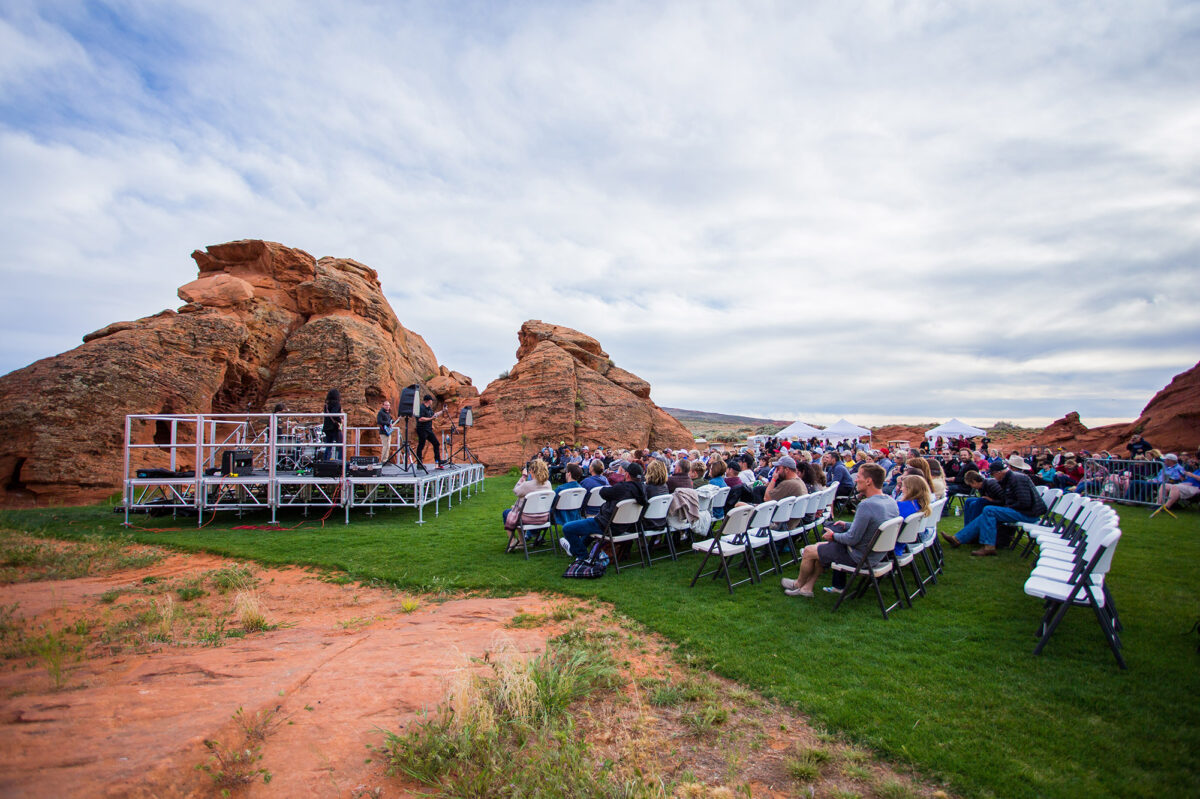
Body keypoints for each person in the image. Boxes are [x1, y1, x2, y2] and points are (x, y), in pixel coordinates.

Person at [782, 464, 898, 597]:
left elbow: (852, 538)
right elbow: (874, 526)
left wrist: (834, 536)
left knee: (809, 551)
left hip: (858, 556)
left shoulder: (866, 505)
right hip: (875, 555)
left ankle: (798, 584)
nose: (855, 480)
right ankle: (807, 588)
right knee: (819, 548)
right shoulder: (890, 501)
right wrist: (848, 525)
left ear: (868, 481)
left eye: (858, 477)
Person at [942, 460, 1046, 556]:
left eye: (993, 475)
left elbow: (1025, 502)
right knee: (987, 512)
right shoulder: (1012, 478)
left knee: (989, 510)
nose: (993, 478)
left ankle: (989, 546)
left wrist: (1006, 507)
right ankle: (958, 539)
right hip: (1025, 511)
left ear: (999, 473)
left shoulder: (1017, 479)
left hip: (1028, 514)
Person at [559, 461, 649, 559]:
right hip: (624, 526)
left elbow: (603, 492)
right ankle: (573, 550)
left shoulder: (623, 488)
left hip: (606, 525)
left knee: (567, 528)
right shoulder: (643, 490)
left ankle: (582, 556)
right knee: (588, 528)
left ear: (627, 474)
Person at [502, 458, 553, 551]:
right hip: (543, 517)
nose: (529, 472)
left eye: (530, 470)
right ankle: (522, 543)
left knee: (507, 513)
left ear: (533, 470)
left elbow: (516, 491)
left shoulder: (528, 485)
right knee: (518, 513)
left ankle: (513, 540)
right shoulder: (548, 484)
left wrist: (523, 477)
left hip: (528, 518)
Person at [415, 394, 444, 468]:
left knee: (436, 443)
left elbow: (434, 415)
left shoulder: (429, 408)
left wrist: (443, 411)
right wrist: (431, 419)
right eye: (431, 400)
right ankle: (419, 463)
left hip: (428, 430)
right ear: (428, 400)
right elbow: (420, 419)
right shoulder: (421, 408)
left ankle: (438, 461)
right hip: (422, 429)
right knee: (421, 445)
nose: (432, 402)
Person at [322, 388, 342, 461]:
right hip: (334, 427)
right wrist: (340, 420)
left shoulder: (326, 405)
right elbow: (335, 415)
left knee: (328, 446)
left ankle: (326, 461)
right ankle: (340, 461)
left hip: (326, 427)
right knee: (341, 445)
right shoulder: (336, 404)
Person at [376, 399, 393, 464]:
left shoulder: (388, 413)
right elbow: (379, 421)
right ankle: (383, 460)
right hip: (383, 432)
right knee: (385, 446)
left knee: (388, 446)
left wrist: (392, 422)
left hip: (388, 432)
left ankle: (386, 459)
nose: (387, 406)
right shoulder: (380, 412)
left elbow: (389, 421)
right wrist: (388, 423)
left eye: (388, 405)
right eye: (386, 405)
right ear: (383, 405)